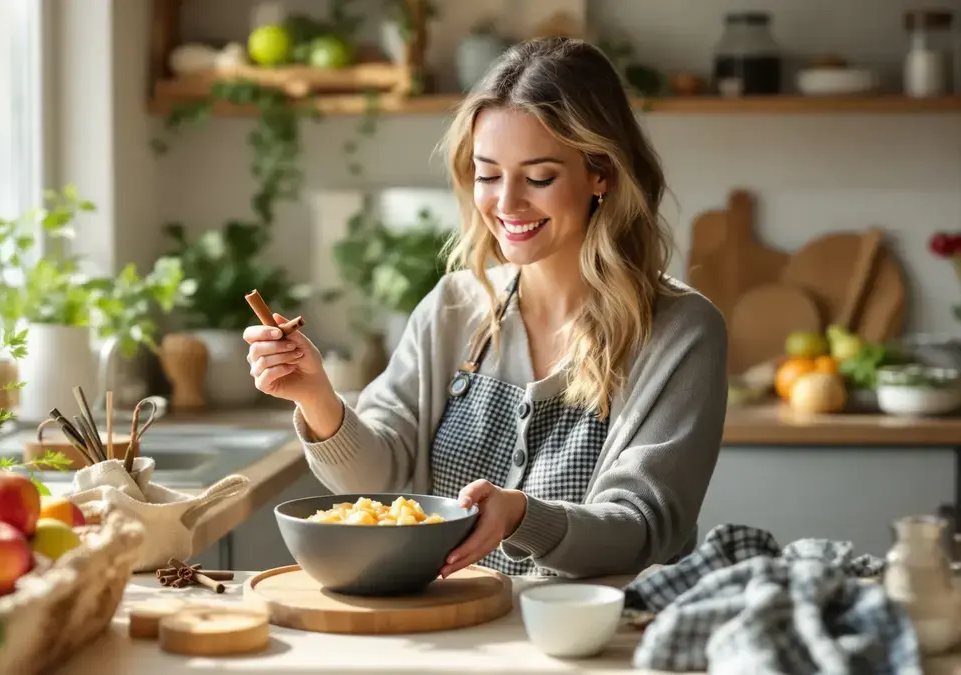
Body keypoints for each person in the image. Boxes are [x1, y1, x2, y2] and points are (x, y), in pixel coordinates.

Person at [242, 37, 728, 579]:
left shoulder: (680, 331)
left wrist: (525, 517)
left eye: (539, 177)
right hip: (458, 633)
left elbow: (644, 525)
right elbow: (377, 474)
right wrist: (315, 394)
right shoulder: (455, 307)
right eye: (488, 174)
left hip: (598, 641)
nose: (507, 203)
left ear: (601, 173)